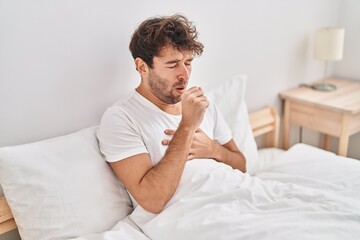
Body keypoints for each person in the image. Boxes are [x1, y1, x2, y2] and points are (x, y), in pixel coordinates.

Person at [97, 14, 246, 214]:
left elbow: (242, 165)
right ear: (142, 67)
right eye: (173, 64)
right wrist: (187, 126)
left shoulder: (202, 103)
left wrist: (214, 149)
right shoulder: (121, 118)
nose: (184, 74)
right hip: (196, 215)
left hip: (240, 198)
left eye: (188, 62)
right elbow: (152, 200)